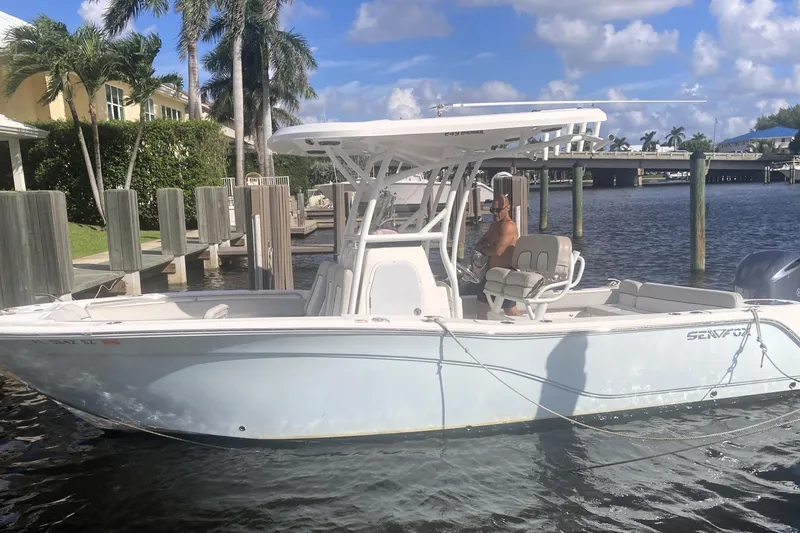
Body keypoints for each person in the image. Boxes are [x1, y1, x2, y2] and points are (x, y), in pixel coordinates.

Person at [474, 195, 523, 319]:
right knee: (481, 309)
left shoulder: (508, 226)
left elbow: (498, 251)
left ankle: (527, 326)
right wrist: (481, 249)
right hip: (490, 274)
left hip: (505, 276)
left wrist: (483, 250)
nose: (495, 213)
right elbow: (481, 241)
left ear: (508, 208)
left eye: (498, 210)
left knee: (510, 310)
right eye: (492, 210)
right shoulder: (494, 226)